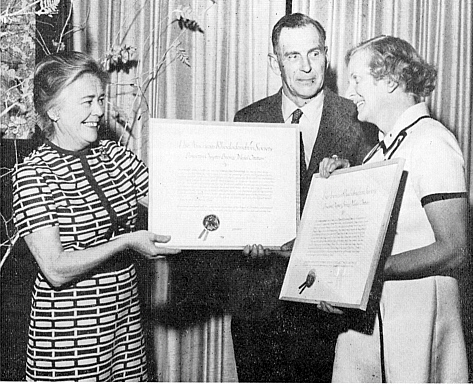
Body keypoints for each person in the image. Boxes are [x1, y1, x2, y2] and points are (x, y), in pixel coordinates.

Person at [12, 51, 180, 381]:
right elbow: (56, 268)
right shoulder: (33, 174)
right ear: (54, 110)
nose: (100, 111)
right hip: (68, 337)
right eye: (88, 101)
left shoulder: (114, 155)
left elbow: (175, 205)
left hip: (125, 328)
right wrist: (126, 242)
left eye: (101, 99)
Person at [230, 13, 375, 382]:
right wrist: (240, 236)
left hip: (330, 308)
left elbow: (375, 215)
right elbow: (237, 204)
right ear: (273, 61)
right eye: (293, 56)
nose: (307, 68)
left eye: (315, 53)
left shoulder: (360, 118)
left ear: (326, 55)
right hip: (260, 306)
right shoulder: (247, 119)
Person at [318, 35, 469, 382]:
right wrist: (348, 181)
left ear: (390, 80)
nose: (349, 90)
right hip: (376, 317)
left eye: (357, 79)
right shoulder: (380, 150)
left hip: (416, 313)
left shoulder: (431, 141)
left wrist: (366, 273)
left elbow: (455, 249)